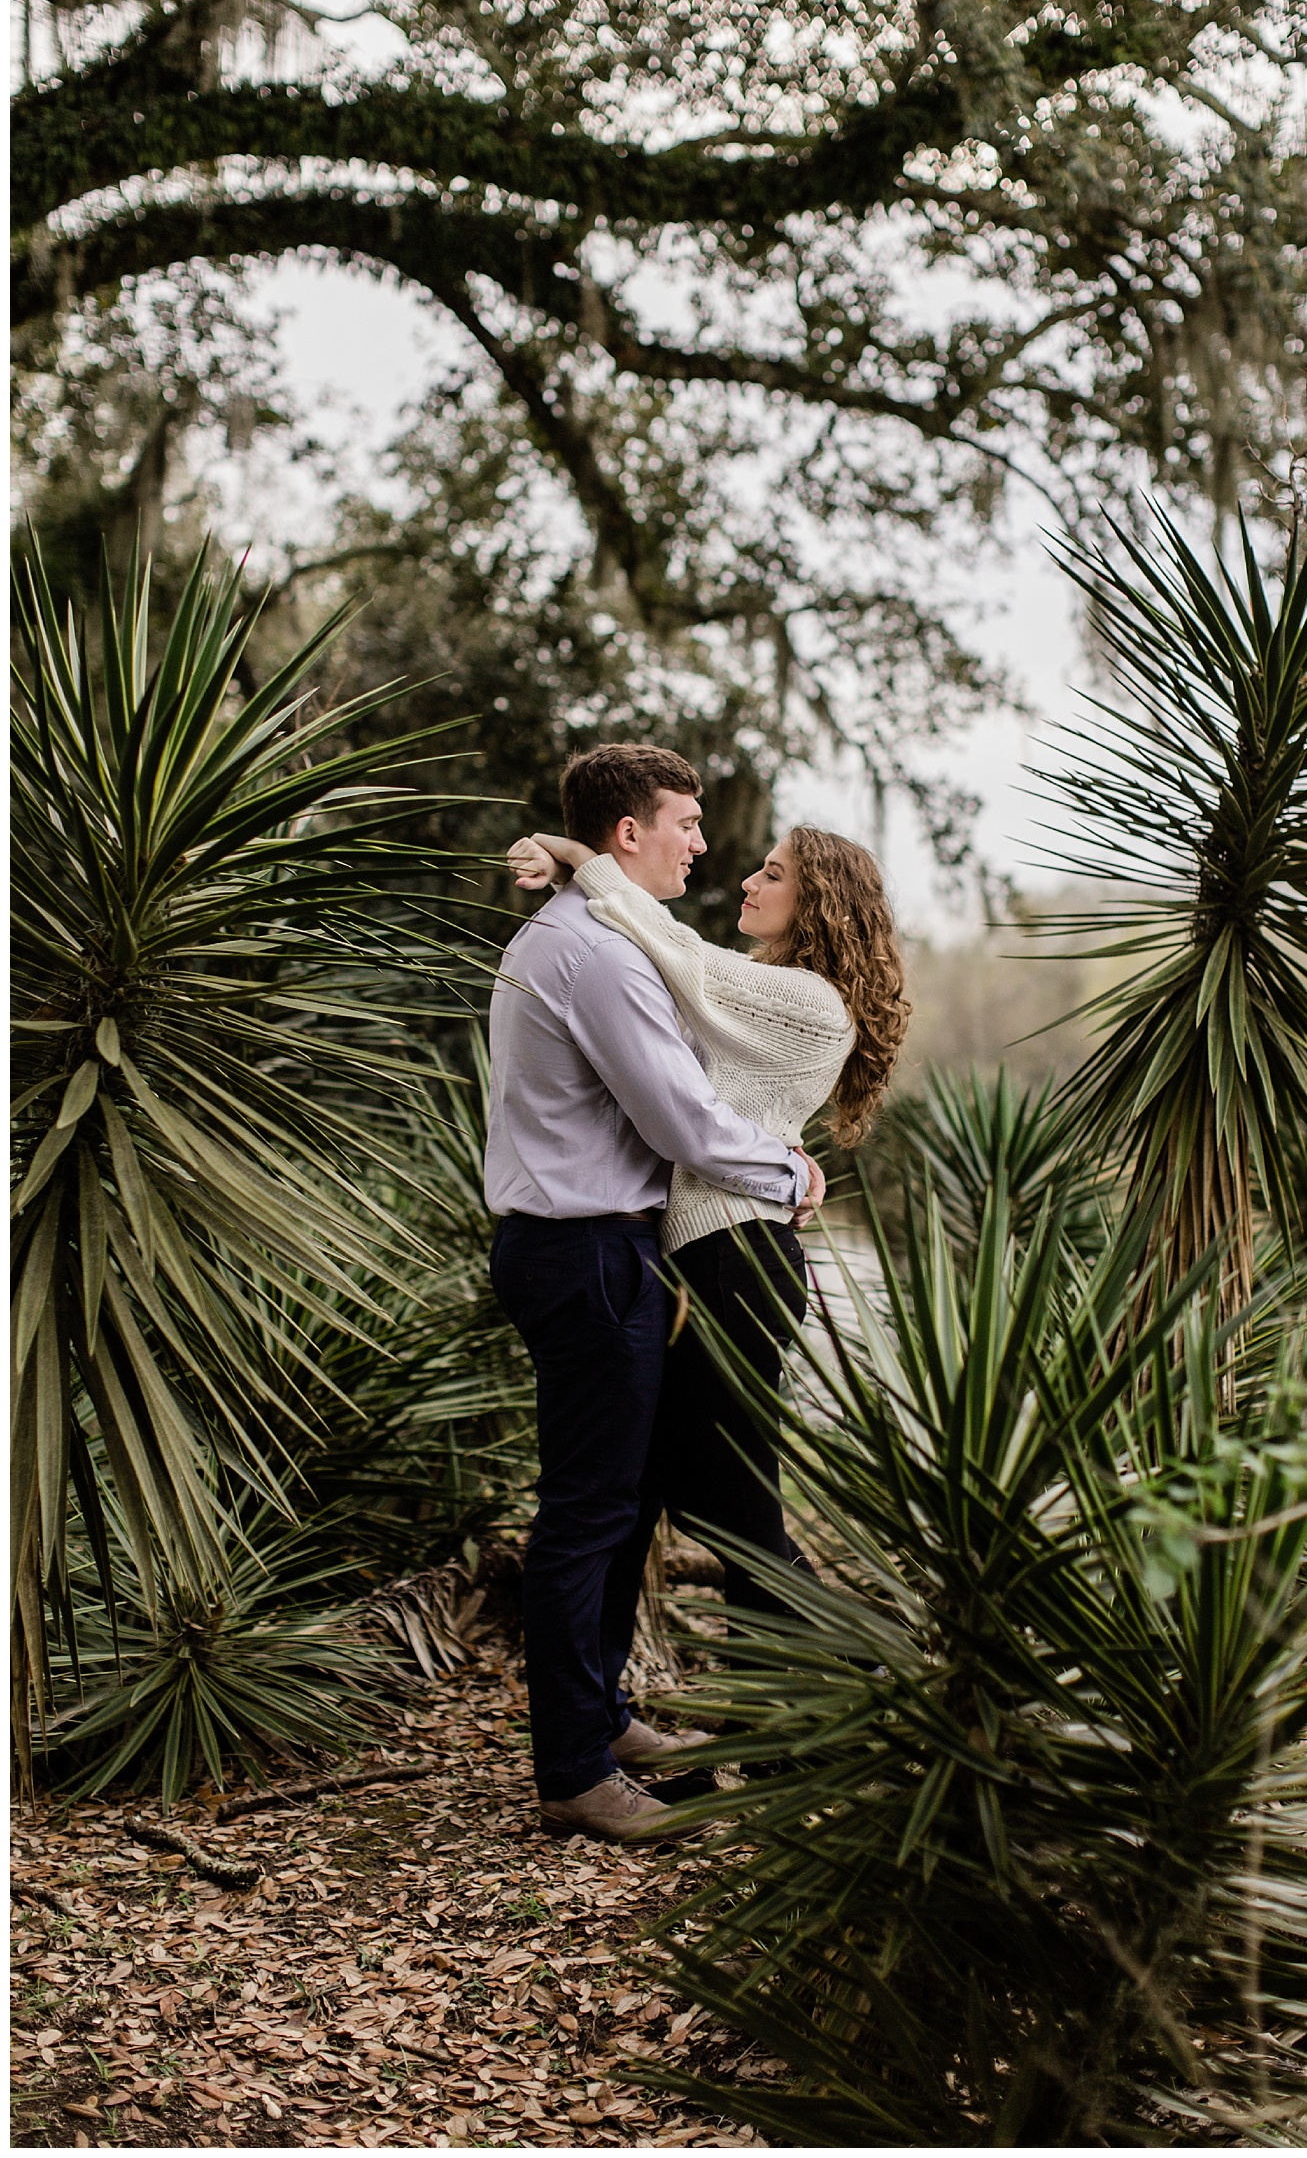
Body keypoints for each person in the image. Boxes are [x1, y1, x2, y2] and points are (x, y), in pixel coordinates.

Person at [484, 743, 827, 1845]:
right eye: (683, 819)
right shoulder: (599, 955)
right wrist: (792, 1173)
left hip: (585, 1246)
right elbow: (680, 1122)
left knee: (617, 1505)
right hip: (587, 1250)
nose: (702, 840)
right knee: (588, 1515)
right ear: (630, 833)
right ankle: (576, 1772)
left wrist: (572, 855)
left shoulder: (585, 932)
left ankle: (604, 1725)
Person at [507, 819, 910, 1654]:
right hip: (708, 1250)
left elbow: (676, 952)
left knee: (731, 1502)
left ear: (821, 901)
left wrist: (585, 861)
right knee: (690, 1491)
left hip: (740, 1257)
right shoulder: (768, 988)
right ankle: (759, 1711)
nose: (749, 885)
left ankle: (815, 1680)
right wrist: (565, 872)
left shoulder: (804, 999)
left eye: (772, 874)